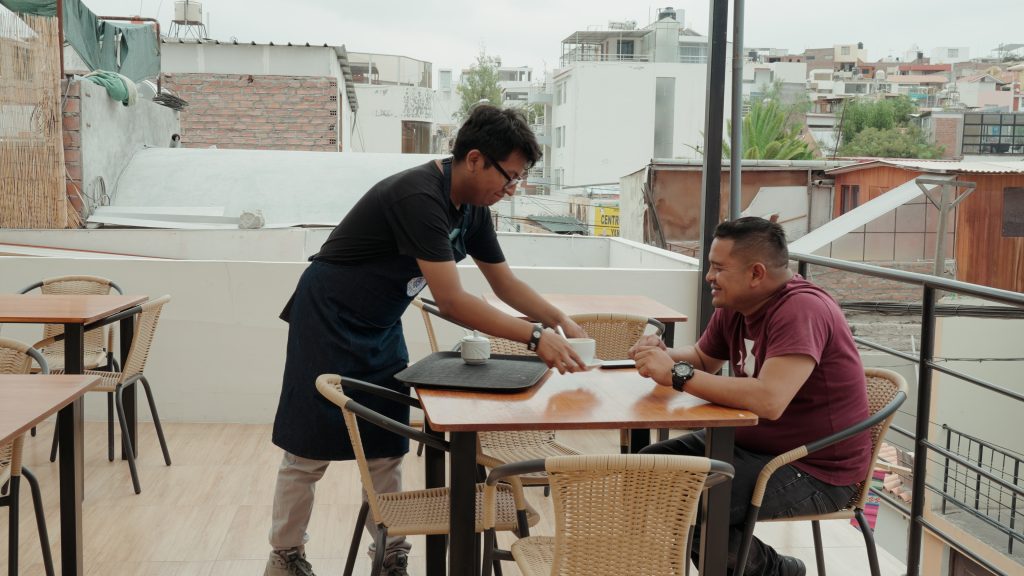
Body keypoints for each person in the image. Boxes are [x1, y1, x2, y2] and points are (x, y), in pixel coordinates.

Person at [265, 104, 587, 576]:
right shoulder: (418, 196)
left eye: (517, 180)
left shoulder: (475, 209)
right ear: (474, 159)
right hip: (327, 317)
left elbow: (503, 284)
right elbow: (454, 301)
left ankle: (390, 551)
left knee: (386, 443)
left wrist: (561, 320)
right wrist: (535, 336)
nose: (511, 188)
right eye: (509, 176)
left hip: (380, 322)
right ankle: (286, 554)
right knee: (308, 449)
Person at [630, 217, 870, 576]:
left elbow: (769, 400)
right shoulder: (738, 307)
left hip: (813, 467)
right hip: (748, 446)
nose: (709, 276)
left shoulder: (802, 310)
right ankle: (767, 567)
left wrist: (676, 375)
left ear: (756, 273)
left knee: (690, 503)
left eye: (717, 267)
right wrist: (662, 355)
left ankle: (775, 571)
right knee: (645, 469)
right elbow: (702, 360)